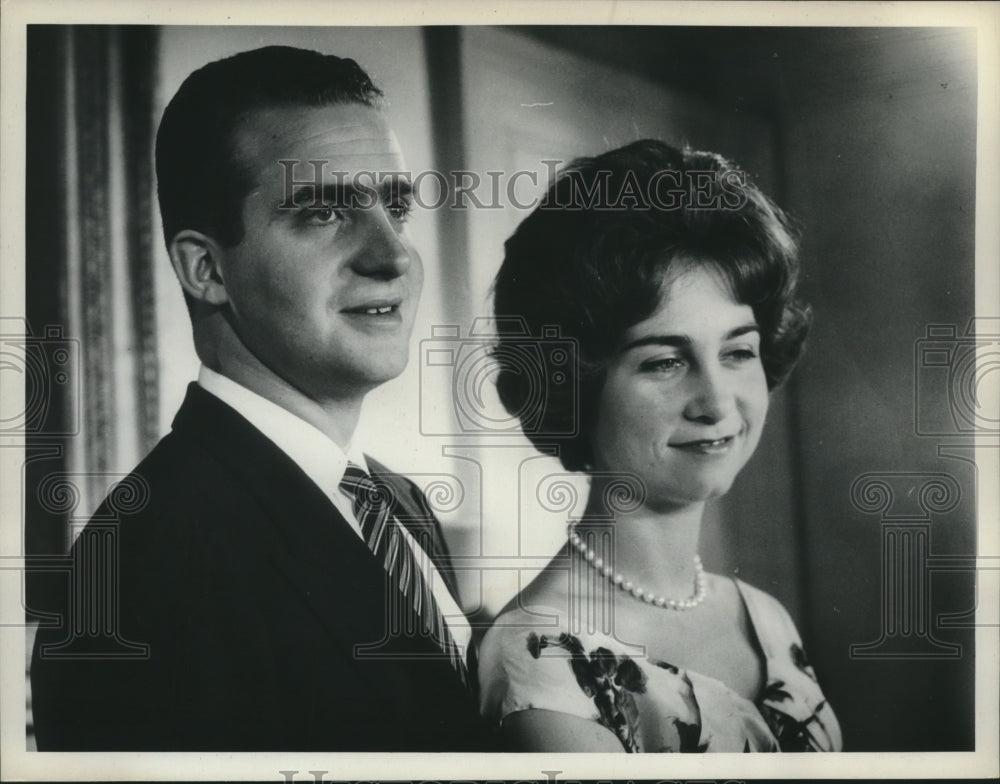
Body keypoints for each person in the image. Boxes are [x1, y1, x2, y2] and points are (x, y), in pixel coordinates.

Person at [30, 46, 483, 751]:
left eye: (395, 206)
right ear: (206, 268)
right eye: (326, 213)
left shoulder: (401, 503)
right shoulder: (135, 566)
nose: (393, 256)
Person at [477, 140, 842, 752]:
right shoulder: (540, 656)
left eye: (738, 352)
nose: (717, 401)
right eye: (666, 361)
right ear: (576, 386)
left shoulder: (764, 617)